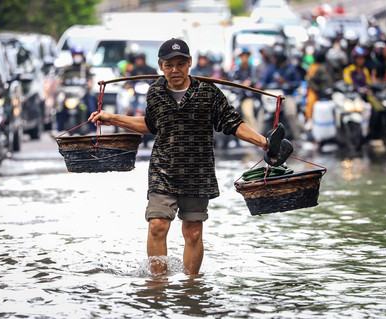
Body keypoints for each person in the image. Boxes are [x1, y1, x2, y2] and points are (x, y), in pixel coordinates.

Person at [88, 38, 292, 275]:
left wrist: (265, 143)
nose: (175, 70)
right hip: (163, 170)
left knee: (193, 231)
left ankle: (191, 285)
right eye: (168, 65)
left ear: (189, 63)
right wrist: (112, 118)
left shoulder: (209, 93)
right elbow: (152, 125)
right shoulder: (155, 93)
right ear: (160, 66)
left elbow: (233, 124)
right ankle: (157, 284)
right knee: (157, 225)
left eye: (180, 63)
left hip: (198, 172)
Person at [57, 45, 95, 131]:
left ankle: (93, 129)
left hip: (82, 94)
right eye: (75, 54)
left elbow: (91, 80)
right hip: (69, 94)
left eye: (79, 54)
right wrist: (60, 81)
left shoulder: (86, 68)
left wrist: (89, 83)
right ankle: (59, 129)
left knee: (91, 108)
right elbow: (60, 79)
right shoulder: (67, 68)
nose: (77, 56)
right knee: (59, 107)